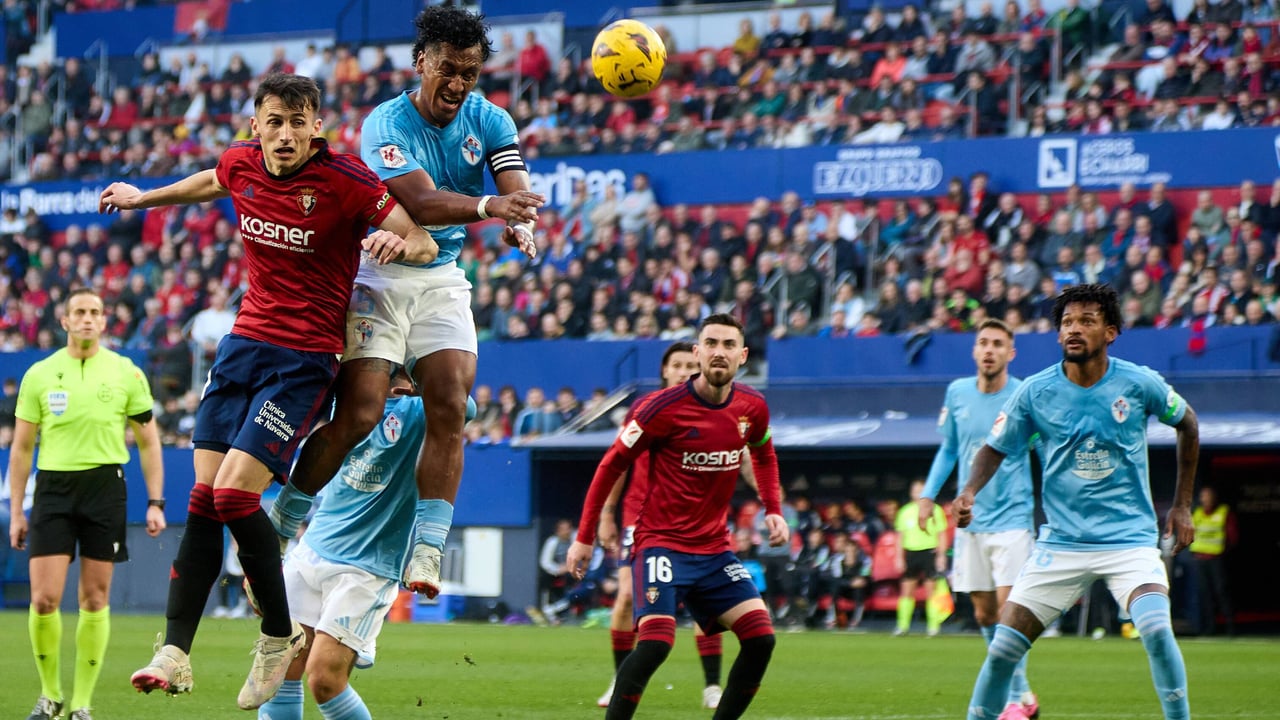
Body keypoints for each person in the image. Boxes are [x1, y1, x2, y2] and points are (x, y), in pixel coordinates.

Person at [98, 73, 438, 710]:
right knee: (203, 498)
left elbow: (419, 238)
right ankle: (175, 652)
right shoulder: (241, 164)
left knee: (232, 495)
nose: (284, 133)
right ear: (256, 125)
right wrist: (144, 198)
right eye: (273, 120)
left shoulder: (348, 180)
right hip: (242, 347)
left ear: (317, 126)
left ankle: (277, 635)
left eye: (297, 121)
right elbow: (209, 180)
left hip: (304, 359)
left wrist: (403, 241)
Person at [270, 5, 545, 601]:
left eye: (469, 73)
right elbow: (418, 202)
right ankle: (288, 511)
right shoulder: (385, 124)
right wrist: (490, 209)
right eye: (447, 68)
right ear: (421, 62)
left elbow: (512, 182)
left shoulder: (491, 119)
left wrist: (520, 215)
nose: (458, 84)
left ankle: (427, 545)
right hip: (381, 271)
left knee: (451, 400)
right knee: (361, 413)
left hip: (441, 275)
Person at [958, 284, 1199, 720]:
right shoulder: (1035, 392)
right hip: (1062, 545)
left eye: (1087, 321)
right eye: (1067, 322)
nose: (1074, 329)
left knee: (1157, 631)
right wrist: (969, 491)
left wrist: (1181, 505)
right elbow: (994, 446)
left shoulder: (1137, 382)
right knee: (1001, 651)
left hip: (1129, 543)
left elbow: (1188, 422)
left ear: (1110, 332)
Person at [566, 314, 788, 720]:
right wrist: (586, 535)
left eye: (728, 345)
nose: (719, 352)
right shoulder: (660, 408)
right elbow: (611, 465)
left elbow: (764, 453)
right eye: (711, 343)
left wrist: (774, 510)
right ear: (697, 352)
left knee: (761, 638)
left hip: (715, 549)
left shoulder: (752, 407)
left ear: (743, 356)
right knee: (656, 643)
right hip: (661, 544)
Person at [256, 370, 477, 720]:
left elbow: (464, 407)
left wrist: (417, 380)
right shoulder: (343, 399)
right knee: (280, 669)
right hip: (312, 548)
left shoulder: (418, 410)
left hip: (367, 567)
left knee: (325, 678)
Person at [8, 288, 167, 720]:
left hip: (105, 488)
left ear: (104, 321)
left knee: (95, 600)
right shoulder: (40, 374)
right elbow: (22, 450)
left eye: (95, 312)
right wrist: (18, 510)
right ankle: (50, 696)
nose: (87, 319)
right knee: (43, 599)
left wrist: (156, 501)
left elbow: (149, 443)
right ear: (64, 320)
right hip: (54, 489)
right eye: (79, 311)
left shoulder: (126, 372)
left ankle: (81, 704)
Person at [593, 341, 730, 710]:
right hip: (640, 521)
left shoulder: (714, 409)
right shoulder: (645, 410)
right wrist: (607, 513)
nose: (685, 370)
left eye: (691, 364)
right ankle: (621, 679)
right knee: (625, 599)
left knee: (705, 606)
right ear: (665, 372)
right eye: (677, 364)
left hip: (697, 526)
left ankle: (712, 685)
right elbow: (617, 463)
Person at [919, 318, 1039, 718]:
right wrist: (927, 496)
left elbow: (1042, 447)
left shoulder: (1024, 393)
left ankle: (1009, 699)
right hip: (971, 521)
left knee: (1010, 611)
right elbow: (949, 449)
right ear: (974, 350)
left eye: (997, 344)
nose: (989, 350)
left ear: (1010, 353)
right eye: (983, 343)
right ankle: (1022, 692)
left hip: (1015, 518)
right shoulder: (956, 392)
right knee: (986, 614)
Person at [892, 479, 948, 637]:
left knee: (931, 589)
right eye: (915, 490)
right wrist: (899, 557)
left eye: (921, 490)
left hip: (929, 552)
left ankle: (933, 626)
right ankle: (902, 626)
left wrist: (941, 555)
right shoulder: (905, 511)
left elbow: (942, 534)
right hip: (911, 552)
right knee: (907, 589)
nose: (918, 493)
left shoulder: (936, 510)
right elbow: (899, 537)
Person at [1189, 485, 1236, 636]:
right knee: (1204, 594)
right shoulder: (1197, 513)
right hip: (1200, 559)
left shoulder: (1223, 512)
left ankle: (1230, 626)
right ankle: (1209, 627)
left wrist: (1225, 551)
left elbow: (1232, 536)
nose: (1206, 499)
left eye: (1208, 496)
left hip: (1217, 559)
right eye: (1203, 496)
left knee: (1221, 592)